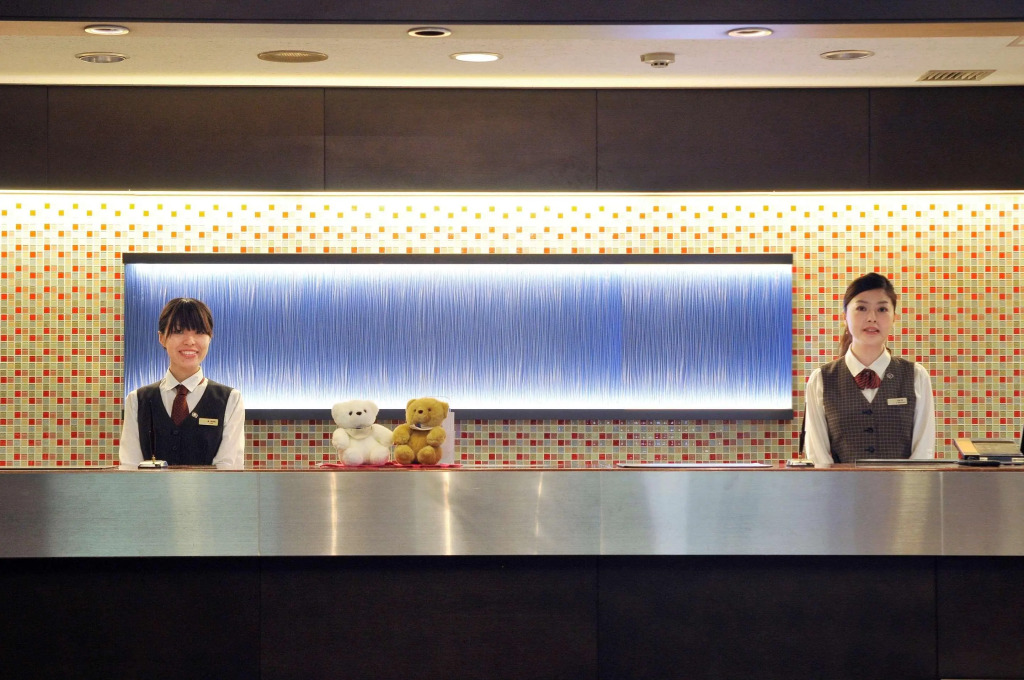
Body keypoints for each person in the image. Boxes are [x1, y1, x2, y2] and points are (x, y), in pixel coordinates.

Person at [803, 272, 935, 467]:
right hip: (840, 486)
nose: (872, 318)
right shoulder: (821, 380)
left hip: (903, 486)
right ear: (845, 317)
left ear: (894, 318)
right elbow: (818, 457)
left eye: (882, 309)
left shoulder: (916, 376)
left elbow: (923, 452)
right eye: (862, 308)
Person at [118, 297, 245, 469]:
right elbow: (130, 467)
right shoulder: (137, 400)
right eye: (178, 331)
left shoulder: (230, 399)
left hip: (213, 488)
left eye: (200, 332)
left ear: (210, 338)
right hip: (148, 488)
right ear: (161, 338)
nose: (190, 341)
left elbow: (228, 467)